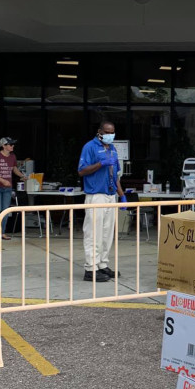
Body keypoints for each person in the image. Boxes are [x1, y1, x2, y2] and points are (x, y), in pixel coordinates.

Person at [78, 121, 127, 283]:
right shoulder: (90, 147)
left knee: (107, 233)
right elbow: (82, 171)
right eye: (107, 132)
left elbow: (116, 175)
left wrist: (122, 195)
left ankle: (102, 264)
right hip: (96, 194)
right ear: (99, 131)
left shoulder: (112, 148)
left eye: (112, 132)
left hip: (110, 194)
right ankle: (90, 268)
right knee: (94, 232)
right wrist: (100, 164)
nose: (109, 135)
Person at [0, 137, 28, 239]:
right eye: (10, 145)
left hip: (7, 188)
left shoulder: (12, 157)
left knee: (5, 211)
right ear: (4, 146)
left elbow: (14, 169)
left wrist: (22, 175)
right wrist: (3, 181)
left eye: (13, 144)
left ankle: (2, 232)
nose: (12, 146)